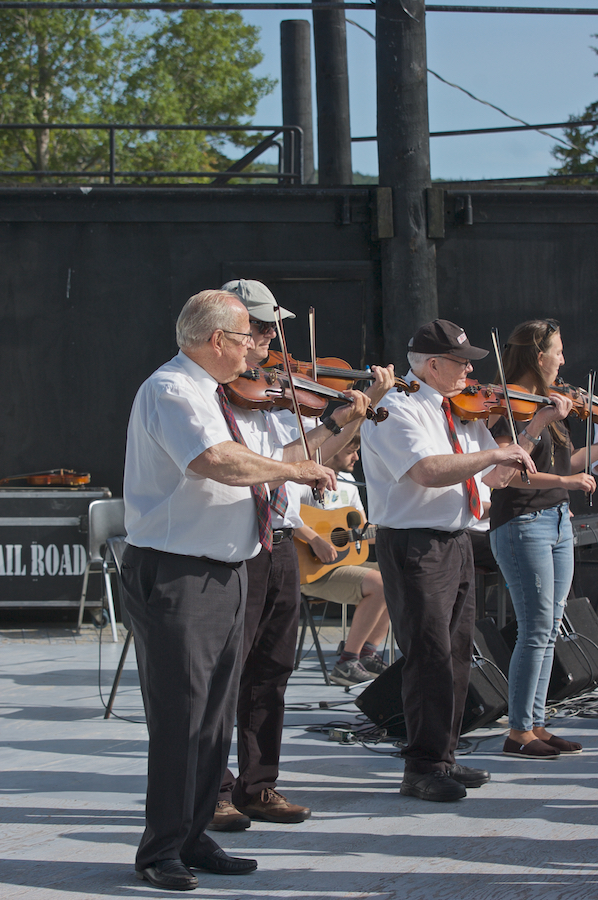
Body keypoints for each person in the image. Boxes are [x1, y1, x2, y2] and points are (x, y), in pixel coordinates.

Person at [120, 288, 337, 891]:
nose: (255, 350)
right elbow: (215, 461)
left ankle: (192, 836)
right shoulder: (172, 389)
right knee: (180, 718)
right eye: (247, 339)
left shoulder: (210, 392)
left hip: (226, 567)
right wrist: (296, 469)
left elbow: (242, 454)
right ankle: (159, 850)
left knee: (214, 716)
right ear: (217, 340)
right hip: (178, 572)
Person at [210, 279, 393, 833]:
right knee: (227, 673)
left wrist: (363, 410)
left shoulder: (278, 397)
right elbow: (255, 462)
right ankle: (213, 789)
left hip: (281, 541)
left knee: (272, 669)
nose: (270, 339)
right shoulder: (214, 396)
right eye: (260, 328)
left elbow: (321, 457)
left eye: (271, 329)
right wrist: (335, 422)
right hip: (232, 544)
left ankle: (257, 785)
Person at [360, 318, 541, 803]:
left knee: (458, 654)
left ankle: (444, 756)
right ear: (433, 364)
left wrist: (522, 443)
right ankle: (420, 766)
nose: (469, 371)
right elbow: (428, 471)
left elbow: (494, 478)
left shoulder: (459, 413)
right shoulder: (395, 409)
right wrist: (493, 455)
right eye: (461, 362)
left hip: (455, 539)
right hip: (415, 543)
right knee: (429, 656)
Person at [489, 318, 597, 760]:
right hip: (521, 523)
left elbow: (564, 460)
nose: (564, 359)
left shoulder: (550, 402)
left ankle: (535, 722)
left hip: (555, 521)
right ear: (538, 356)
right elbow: (508, 475)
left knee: (551, 628)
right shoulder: (508, 407)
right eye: (558, 350)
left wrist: (586, 459)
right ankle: (517, 731)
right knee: (535, 629)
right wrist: (540, 422)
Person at [294, 435, 391, 686]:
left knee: (398, 575)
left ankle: (368, 654)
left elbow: (361, 534)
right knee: (380, 584)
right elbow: (285, 515)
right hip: (310, 569)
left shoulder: (349, 485)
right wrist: (315, 540)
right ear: (334, 449)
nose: (356, 457)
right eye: (351, 451)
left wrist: (391, 528)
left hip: (343, 566)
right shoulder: (302, 479)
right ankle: (347, 661)